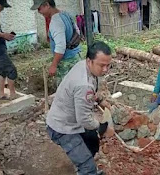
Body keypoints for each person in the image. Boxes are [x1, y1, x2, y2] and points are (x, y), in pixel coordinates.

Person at [46, 41, 112, 175]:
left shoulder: (83, 66)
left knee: (92, 142)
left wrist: (99, 100)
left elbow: (90, 95)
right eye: (101, 65)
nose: (105, 70)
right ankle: (87, 169)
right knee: (89, 168)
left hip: (71, 119)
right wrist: (101, 125)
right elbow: (84, 119)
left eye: (108, 65)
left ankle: (84, 164)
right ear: (89, 61)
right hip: (62, 128)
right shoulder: (84, 84)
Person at [31, 0, 82, 85]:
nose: (39, 12)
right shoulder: (65, 14)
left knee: (65, 92)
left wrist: (53, 65)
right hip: (76, 57)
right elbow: (78, 32)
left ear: (47, 5)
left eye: (39, 8)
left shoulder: (56, 22)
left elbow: (60, 47)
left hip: (66, 63)